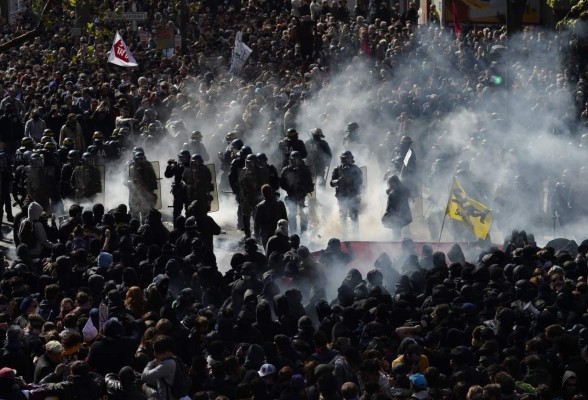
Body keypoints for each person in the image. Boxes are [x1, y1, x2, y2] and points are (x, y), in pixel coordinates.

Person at [280, 151, 314, 235]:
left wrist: (304, 190)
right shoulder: (286, 170)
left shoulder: (305, 169)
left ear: (300, 160)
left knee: (304, 215)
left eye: (296, 159)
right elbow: (282, 183)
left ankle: (303, 234)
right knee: (292, 216)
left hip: (302, 196)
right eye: (292, 159)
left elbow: (310, 183)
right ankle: (293, 234)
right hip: (291, 195)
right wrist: (289, 188)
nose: (294, 161)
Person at [330, 151, 363, 232]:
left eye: (348, 158)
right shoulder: (337, 169)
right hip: (342, 196)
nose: (347, 160)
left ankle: (356, 236)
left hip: (353, 196)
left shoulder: (356, 169)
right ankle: (344, 236)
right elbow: (331, 183)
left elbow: (360, 182)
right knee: (342, 217)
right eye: (345, 158)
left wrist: (351, 179)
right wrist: (339, 180)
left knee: (354, 217)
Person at [141, 335, 178, 400]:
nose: (154, 354)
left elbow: (144, 377)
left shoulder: (167, 364)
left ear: (166, 352)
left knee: (144, 385)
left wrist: (151, 362)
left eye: (156, 352)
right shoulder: (175, 359)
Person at [254, 184, 288, 248]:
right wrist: (285, 232)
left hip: (265, 234)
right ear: (271, 192)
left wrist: (256, 235)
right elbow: (285, 220)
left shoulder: (260, 206)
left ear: (262, 193)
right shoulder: (280, 203)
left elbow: (257, 222)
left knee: (268, 252)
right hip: (279, 232)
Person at [127, 151, 158, 219]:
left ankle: (145, 226)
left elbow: (153, 179)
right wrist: (130, 183)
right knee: (135, 212)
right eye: (138, 159)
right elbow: (128, 178)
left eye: (141, 159)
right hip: (135, 193)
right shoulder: (132, 167)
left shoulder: (148, 167)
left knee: (146, 212)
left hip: (146, 192)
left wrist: (148, 188)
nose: (139, 161)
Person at [381, 175, 412, 240]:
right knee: (400, 231)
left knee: (396, 233)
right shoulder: (404, 190)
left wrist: (385, 216)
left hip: (395, 216)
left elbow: (389, 207)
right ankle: (401, 242)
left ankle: (396, 244)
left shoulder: (392, 194)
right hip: (404, 215)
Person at [165, 149, 190, 220]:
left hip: (188, 193)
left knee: (189, 212)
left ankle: (188, 227)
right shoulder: (177, 165)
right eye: (180, 157)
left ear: (188, 157)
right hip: (178, 192)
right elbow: (168, 175)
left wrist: (176, 167)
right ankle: (177, 228)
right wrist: (169, 166)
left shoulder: (192, 166)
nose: (181, 159)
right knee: (176, 213)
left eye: (183, 157)